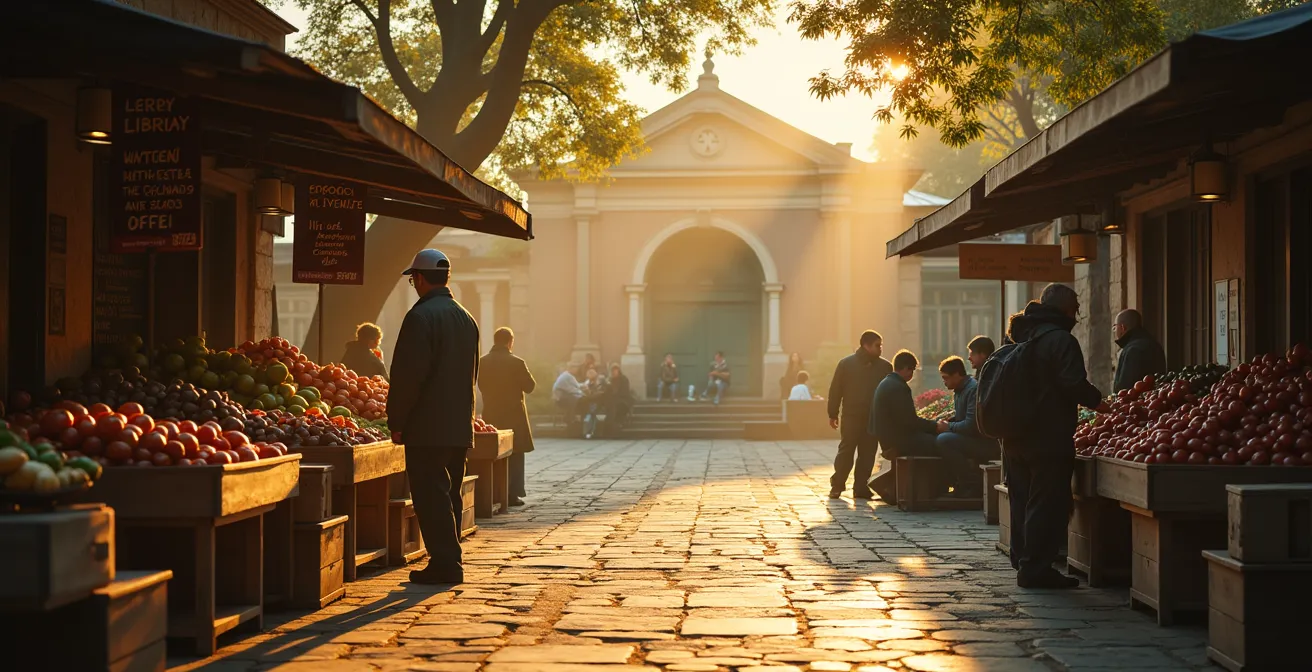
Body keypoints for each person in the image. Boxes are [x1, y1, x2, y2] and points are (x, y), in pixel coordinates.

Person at [387, 248, 479, 585]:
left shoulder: (420, 317)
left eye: (413, 279)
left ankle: (445, 563)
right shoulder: (466, 317)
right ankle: (449, 558)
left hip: (427, 425)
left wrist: (397, 420)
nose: (413, 284)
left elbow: (409, 376)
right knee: (449, 492)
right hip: (458, 423)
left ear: (421, 278)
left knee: (429, 493)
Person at [1004, 284, 1105, 589]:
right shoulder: (1061, 340)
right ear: (1064, 308)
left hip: (1014, 434)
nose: (1077, 313)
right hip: (1047, 435)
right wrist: (1101, 403)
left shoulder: (1021, 335)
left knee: (1021, 499)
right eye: (1075, 307)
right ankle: (1035, 569)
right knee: (1046, 503)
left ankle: (1022, 558)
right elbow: (1073, 383)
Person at [869, 350, 972, 496]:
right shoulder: (898, 387)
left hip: (891, 437)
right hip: (898, 440)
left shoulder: (887, 382)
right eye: (912, 370)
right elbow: (910, 422)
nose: (912, 375)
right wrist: (934, 427)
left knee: (934, 439)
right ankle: (943, 486)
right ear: (906, 369)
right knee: (939, 443)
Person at [826, 330, 891, 499]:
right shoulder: (846, 364)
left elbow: (888, 394)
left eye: (881, 345)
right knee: (846, 451)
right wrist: (833, 413)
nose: (880, 349)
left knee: (868, 453)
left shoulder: (885, 367)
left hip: (872, 418)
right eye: (877, 345)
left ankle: (861, 487)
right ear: (866, 345)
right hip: (851, 416)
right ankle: (837, 485)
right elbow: (836, 390)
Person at [477, 327, 535, 507]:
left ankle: (493, 492)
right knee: (515, 454)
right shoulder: (517, 362)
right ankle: (512, 494)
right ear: (510, 342)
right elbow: (530, 386)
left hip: (492, 414)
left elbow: (481, 385)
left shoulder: (482, 362)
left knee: (492, 454)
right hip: (513, 416)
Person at [934, 356, 998, 495]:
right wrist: (947, 421)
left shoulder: (972, 389)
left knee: (944, 440)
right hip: (970, 438)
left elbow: (971, 425)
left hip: (983, 442)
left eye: (946, 378)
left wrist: (948, 427)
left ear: (957, 375)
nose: (944, 382)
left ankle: (970, 484)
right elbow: (961, 417)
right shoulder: (959, 390)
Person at [1113, 309, 1167, 392]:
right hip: (1154, 399)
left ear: (1122, 327)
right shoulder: (1154, 344)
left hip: (1136, 403)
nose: (1114, 330)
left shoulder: (1132, 350)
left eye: (1115, 327)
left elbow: (1125, 388)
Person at [604, 363, 633, 433]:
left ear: (618, 370)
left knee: (618, 407)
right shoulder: (610, 380)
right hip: (612, 401)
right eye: (612, 370)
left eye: (615, 370)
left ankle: (617, 424)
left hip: (623, 400)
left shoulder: (623, 379)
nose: (614, 372)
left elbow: (624, 392)